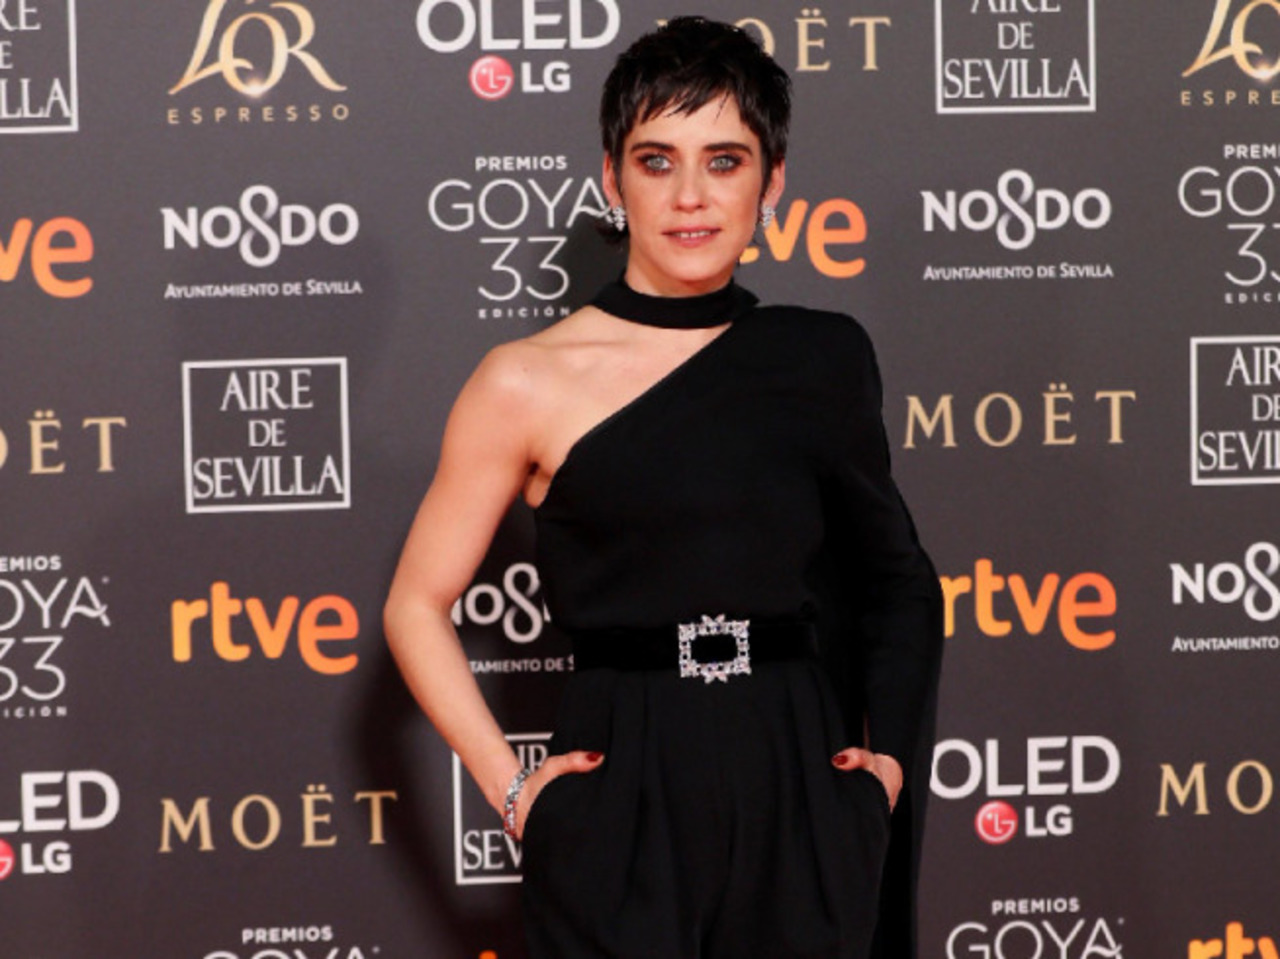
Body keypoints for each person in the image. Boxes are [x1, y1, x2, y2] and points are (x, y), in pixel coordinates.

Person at [384, 16, 943, 959]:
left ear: (772, 183)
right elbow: (416, 604)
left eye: (724, 162)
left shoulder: (822, 356)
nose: (691, 197)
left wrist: (880, 770)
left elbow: (897, 578)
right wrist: (515, 790)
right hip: (620, 790)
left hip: (801, 783)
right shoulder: (524, 380)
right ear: (613, 179)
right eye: (657, 161)